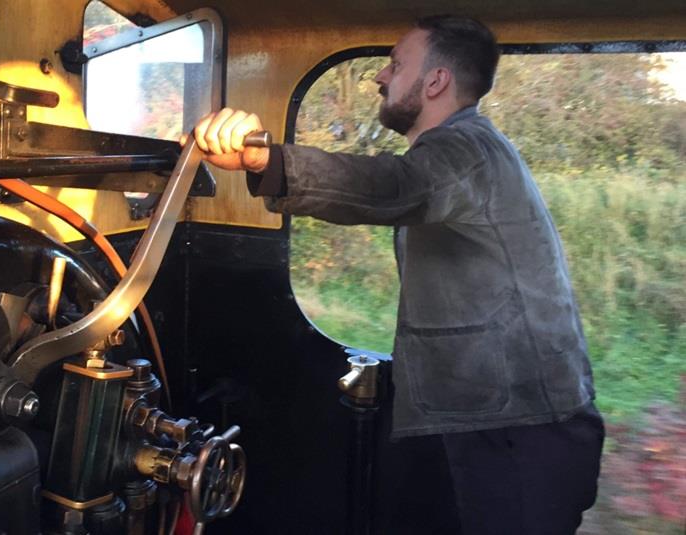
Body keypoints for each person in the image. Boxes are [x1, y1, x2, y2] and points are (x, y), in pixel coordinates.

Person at [186, 15, 604, 535]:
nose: (380, 77)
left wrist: (264, 161)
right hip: (501, 419)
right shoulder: (466, 150)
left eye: (395, 64)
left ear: (436, 82)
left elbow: (394, 186)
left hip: (519, 432)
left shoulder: (464, 150)